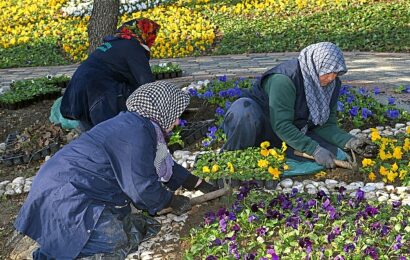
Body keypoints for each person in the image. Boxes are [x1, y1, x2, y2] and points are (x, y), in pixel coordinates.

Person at [15, 81, 216, 259]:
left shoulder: (137, 125)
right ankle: (51, 253)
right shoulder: (137, 132)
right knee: (114, 239)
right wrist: (170, 200)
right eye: (175, 115)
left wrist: (199, 184)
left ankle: (58, 244)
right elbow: (141, 187)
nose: (176, 122)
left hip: (70, 187)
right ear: (161, 110)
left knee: (123, 221)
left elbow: (163, 164)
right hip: (64, 196)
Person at [222, 42, 367, 169]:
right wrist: (313, 149)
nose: (331, 78)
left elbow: (325, 125)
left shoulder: (331, 85)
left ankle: (279, 150)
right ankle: (235, 157)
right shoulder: (285, 79)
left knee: (336, 153)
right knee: (243, 109)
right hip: (259, 126)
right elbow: (281, 124)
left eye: (336, 73)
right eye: (327, 72)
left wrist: (350, 141)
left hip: (291, 132)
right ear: (315, 66)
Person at [60, 18, 159, 131]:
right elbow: (147, 84)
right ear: (145, 33)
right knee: (109, 137)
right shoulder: (132, 46)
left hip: (77, 93)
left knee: (93, 140)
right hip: (97, 93)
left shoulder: (114, 43)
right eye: (152, 35)